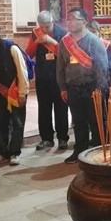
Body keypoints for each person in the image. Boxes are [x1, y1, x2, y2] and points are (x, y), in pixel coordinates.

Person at [56, 8, 109, 164]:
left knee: (96, 121)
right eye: (68, 18)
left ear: (84, 22)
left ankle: (99, 151)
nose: (70, 22)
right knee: (78, 121)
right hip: (73, 88)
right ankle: (80, 150)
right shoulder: (65, 42)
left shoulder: (93, 40)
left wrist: (100, 89)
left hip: (92, 87)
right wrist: (63, 88)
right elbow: (60, 67)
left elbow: (102, 67)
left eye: (73, 18)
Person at [25, 11, 69, 151]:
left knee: (61, 108)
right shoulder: (35, 34)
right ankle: (46, 139)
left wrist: (52, 42)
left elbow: (67, 54)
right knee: (44, 109)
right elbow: (28, 54)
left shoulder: (63, 33)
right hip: (42, 76)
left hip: (59, 77)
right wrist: (35, 43)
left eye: (47, 26)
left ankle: (62, 138)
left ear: (53, 22)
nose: (44, 30)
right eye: (42, 27)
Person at [0, 36, 30, 166]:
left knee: (18, 123)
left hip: (16, 92)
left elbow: (22, 72)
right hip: (0, 94)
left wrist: (22, 93)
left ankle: (14, 153)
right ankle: (2, 153)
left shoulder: (12, 49)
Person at [87, 20, 111, 86]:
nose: (92, 35)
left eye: (94, 32)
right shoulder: (83, 45)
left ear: (99, 32)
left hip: (102, 78)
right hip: (87, 79)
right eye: (89, 32)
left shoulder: (106, 44)